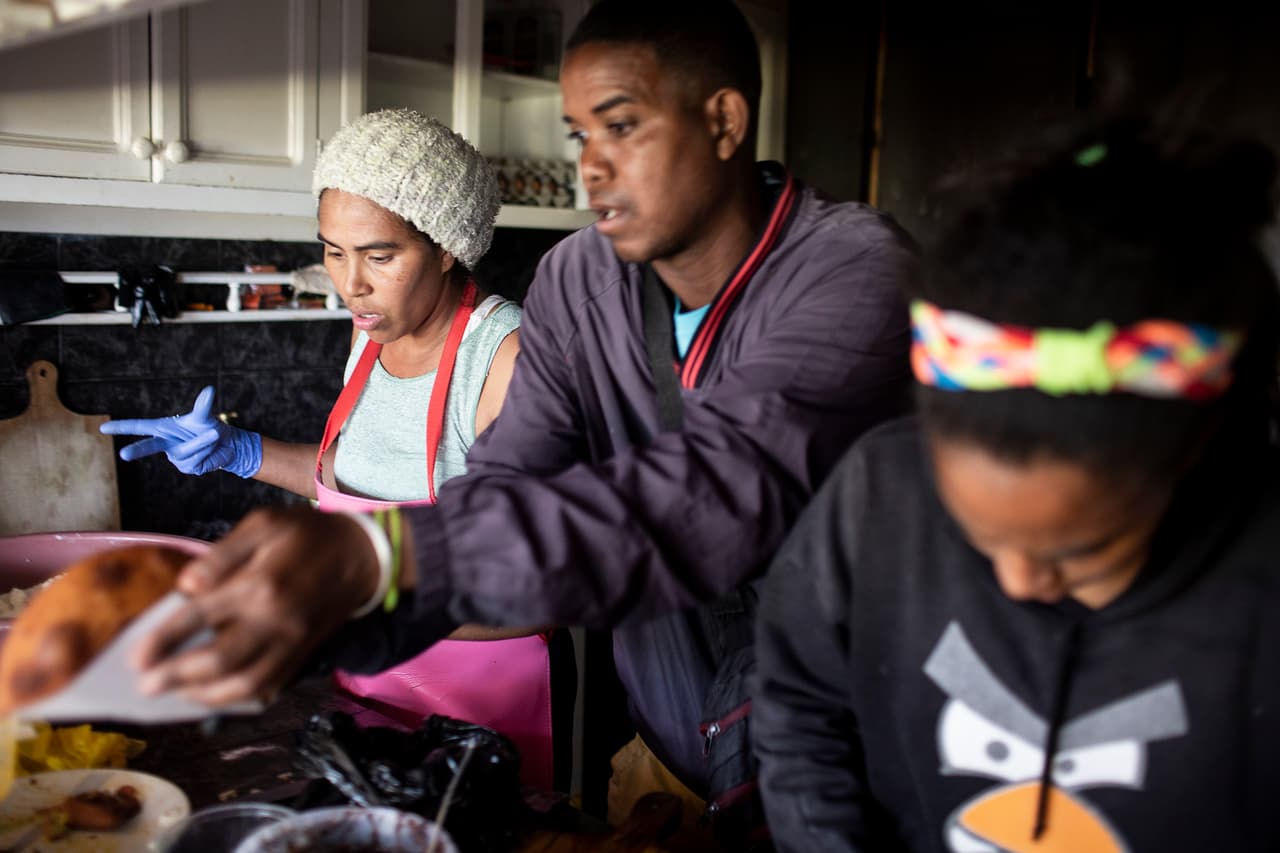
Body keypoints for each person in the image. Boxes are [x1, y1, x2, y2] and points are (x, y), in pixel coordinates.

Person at [130, 1, 915, 845]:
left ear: (724, 120)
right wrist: (327, 603)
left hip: (853, 765)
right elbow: (505, 485)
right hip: (665, 752)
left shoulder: (856, 271)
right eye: (581, 136)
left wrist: (378, 554)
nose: (593, 172)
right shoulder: (581, 281)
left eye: (622, 127)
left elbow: (719, 488)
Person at [752, 115, 1280, 852]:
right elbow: (801, 704)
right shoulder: (881, 495)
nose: (1020, 581)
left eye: (1082, 551)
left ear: (1195, 459)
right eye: (977, 537)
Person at [101, 110, 561, 789]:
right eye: (333, 251)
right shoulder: (370, 332)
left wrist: (350, 595)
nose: (352, 284)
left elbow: (545, 591)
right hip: (365, 689)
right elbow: (359, 480)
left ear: (445, 247)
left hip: (479, 714)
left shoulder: (505, 361)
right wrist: (243, 452)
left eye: (379, 255)